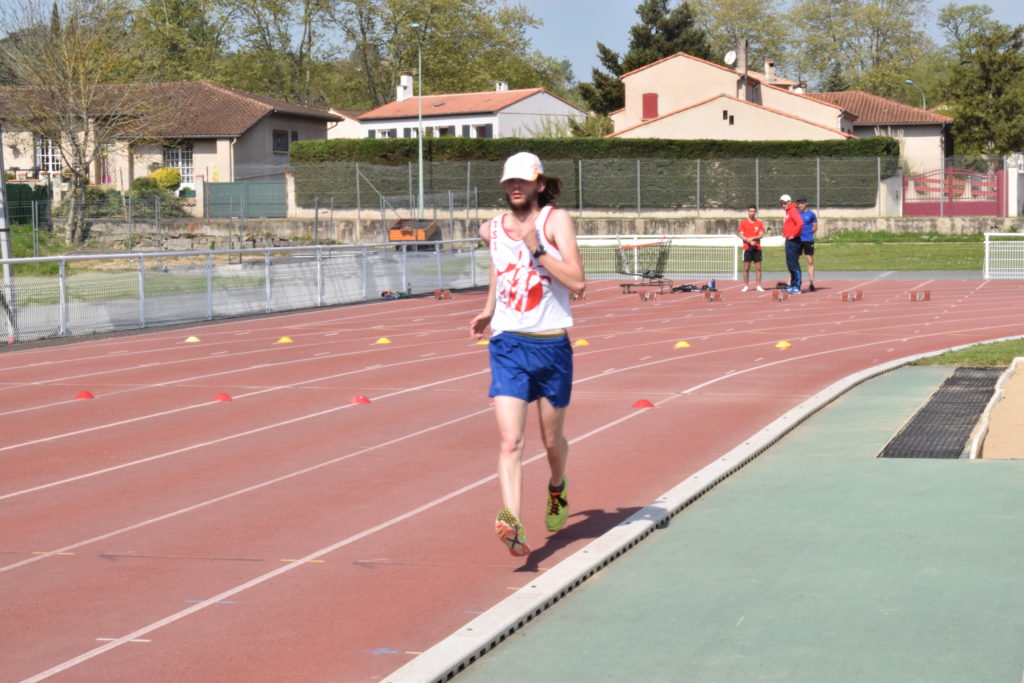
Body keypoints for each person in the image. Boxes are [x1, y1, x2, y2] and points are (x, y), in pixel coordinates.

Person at [469, 152, 586, 557]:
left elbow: (578, 281)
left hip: (551, 345)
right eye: (508, 182)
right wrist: (489, 309)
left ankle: (557, 486)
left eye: (522, 181)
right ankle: (512, 519)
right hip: (508, 345)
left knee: (550, 441)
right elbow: (499, 267)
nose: (514, 187)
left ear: (539, 184)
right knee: (510, 441)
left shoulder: (555, 221)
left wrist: (538, 249)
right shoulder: (492, 229)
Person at [737, 204, 765, 292]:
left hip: (757, 248)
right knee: (746, 268)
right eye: (750, 211)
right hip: (747, 248)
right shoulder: (743, 223)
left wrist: (753, 238)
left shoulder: (759, 223)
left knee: (758, 268)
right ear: (748, 212)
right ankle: (745, 285)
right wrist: (748, 241)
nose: (752, 213)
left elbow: (761, 235)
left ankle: (758, 285)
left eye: (753, 211)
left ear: (755, 212)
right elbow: (741, 235)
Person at [780, 194, 803, 293]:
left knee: (793, 264)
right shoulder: (788, 211)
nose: (783, 205)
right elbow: (790, 224)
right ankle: (793, 284)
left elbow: (800, 223)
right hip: (789, 239)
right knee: (790, 264)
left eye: (785, 203)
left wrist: (793, 234)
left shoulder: (793, 210)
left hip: (794, 240)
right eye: (781, 203)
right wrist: (785, 232)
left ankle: (797, 286)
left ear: (789, 202)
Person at [796, 198, 818, 291]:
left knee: (810, 261)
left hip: (808, 240)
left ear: (806, 204)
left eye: (802, 203)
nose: (800, 205)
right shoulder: (796, 214)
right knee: (794, 261)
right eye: (799, 204)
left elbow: (815, 227)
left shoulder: (811, 214)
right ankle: (792, 282)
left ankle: (811, 283)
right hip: (797, 240)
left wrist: (808, 234)